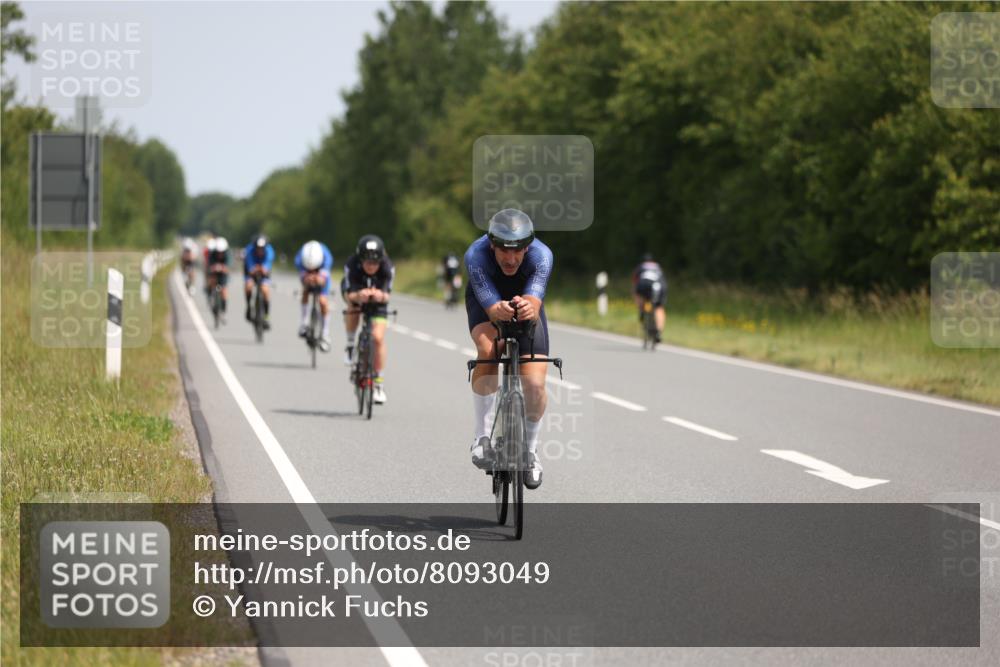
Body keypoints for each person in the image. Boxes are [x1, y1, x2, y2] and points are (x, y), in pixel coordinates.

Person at [464, 208, 552, 489]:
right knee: (488, 348)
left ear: (528, 247)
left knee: (535, 386)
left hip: (525, 302)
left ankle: (531, 451)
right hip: (486, 299)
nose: (511, 259)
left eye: (518, 251)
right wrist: (495, 308)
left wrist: (529, 305)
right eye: (504, 251)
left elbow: (534, 301)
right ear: (492, 244)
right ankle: (481, 436)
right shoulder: (475, 255)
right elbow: (489, 305)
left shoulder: (542, 256)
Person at [342, 234, 394, 405]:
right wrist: (358, 295)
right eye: (367, 262)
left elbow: (387, 295)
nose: (371, 266)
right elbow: (349, 293)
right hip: (356, 294)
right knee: (353, 308)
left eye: (375, 262)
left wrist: (380, 295)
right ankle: (350, 345)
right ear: (360, 259)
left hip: (378, 303)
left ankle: (378, 382)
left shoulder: (387, 266)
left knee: (378, 338)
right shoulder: (352, 265)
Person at [294, 240, 334, 352]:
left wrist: (321, 277)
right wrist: (306, 276)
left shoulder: (325, 256)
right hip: (305, 273)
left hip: (322, 274)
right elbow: (300, 270)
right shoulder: (300, 257)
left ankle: (325, 333)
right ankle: (304, 323)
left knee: (323, 301)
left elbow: (326, 273)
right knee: (305, 292)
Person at [632, 253, 667, 342]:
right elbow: (663, 279)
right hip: (658, 286)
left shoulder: (640, 267)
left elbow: (635, 282)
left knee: (637, 293)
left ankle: (641, 310)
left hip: (643, 284)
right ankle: (658, 331)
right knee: (659, 308)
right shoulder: (658, 267)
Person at [243, 234, 275, 329]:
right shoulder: (249, 250)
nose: (260, 250)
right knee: (249, 286)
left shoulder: (269, 250)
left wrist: (264, 268)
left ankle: (266, 316)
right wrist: (253, 269)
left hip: (263, 269)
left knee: (265, 290)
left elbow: (268, 263)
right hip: (251, 268)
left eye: (262, 248)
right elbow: (249, 264)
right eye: (258, 248)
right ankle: (249, 307)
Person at [206, 237, 231, 319]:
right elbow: (209, 266)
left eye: (221, 252)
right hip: (214, 273)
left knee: (224, 291)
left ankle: (223, 311)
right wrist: (213, 268)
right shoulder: (212, 254)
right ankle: (210, 296)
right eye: (218, 252)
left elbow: (228, 267)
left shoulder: (227, 255)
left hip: (223, 274)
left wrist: (222, 268)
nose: (220, 254)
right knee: (210, 282)